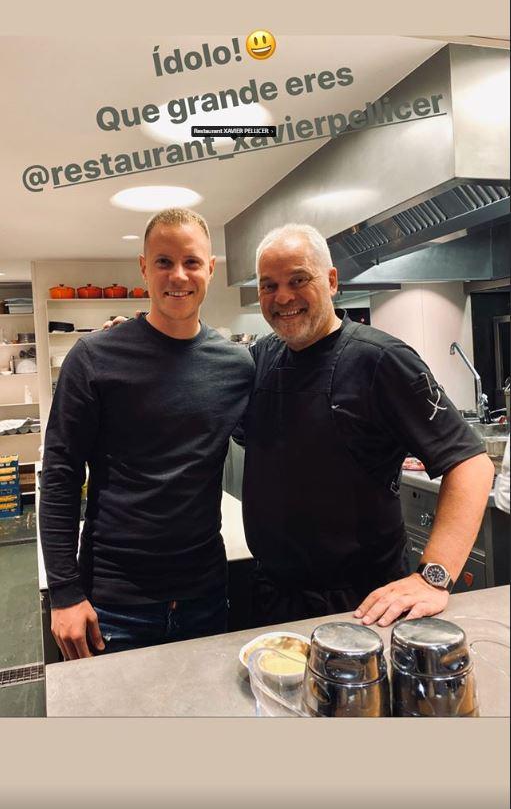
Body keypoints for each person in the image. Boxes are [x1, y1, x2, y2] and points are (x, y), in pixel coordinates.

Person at [238, 223, 494, 628]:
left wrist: (434, 577)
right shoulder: (260, 358)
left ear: (332, 280)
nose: (283, 297)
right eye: (269, 285)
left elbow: (472, 464)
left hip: (364, 605)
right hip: (273, 598)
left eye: (298, 279)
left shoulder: (381, 359)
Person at [39, 208, 254, 659]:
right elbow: (59, 476)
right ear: (143, 267)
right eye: (163, 262)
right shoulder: (94, 358)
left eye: (192, 262)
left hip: (206, 595)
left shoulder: (236, 366)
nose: (178, 275)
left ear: (210, 269)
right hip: (114, 604)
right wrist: (64, 592)